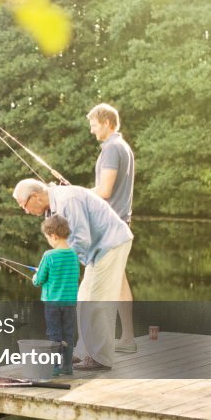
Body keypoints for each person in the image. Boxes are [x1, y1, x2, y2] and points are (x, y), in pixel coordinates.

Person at [12, 179, 133, 371]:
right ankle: (85, 352)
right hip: (98, 249)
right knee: (83, 298)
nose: (25, 211)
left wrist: (59, 265)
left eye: (23, 205)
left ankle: (101, 359)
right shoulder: (54, 206)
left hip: (110, 244)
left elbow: (82, 239)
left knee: (95, 302)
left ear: (34, 196)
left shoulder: (68, 200)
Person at [87, 103, 136, 353]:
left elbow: (104, 191)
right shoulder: (123, 147)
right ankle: (127, 338)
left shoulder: (112, 149)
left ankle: (96, 344)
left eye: (94, 125)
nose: (92, 130)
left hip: (109, 227)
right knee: (119, 282)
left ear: (106, 123)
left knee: (97, 285)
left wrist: (75, 193)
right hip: (120, 224)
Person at [32, 214, 79, 376]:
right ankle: (67, 366)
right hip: (70, 303)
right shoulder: (74, 255)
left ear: (54, 236)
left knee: (54, 334)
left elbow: (38, 281)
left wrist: (35, 275)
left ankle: (54, 368)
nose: (49, 242)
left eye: (48, 238)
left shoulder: (49, 255)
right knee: (68, 333)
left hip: (52, 304)